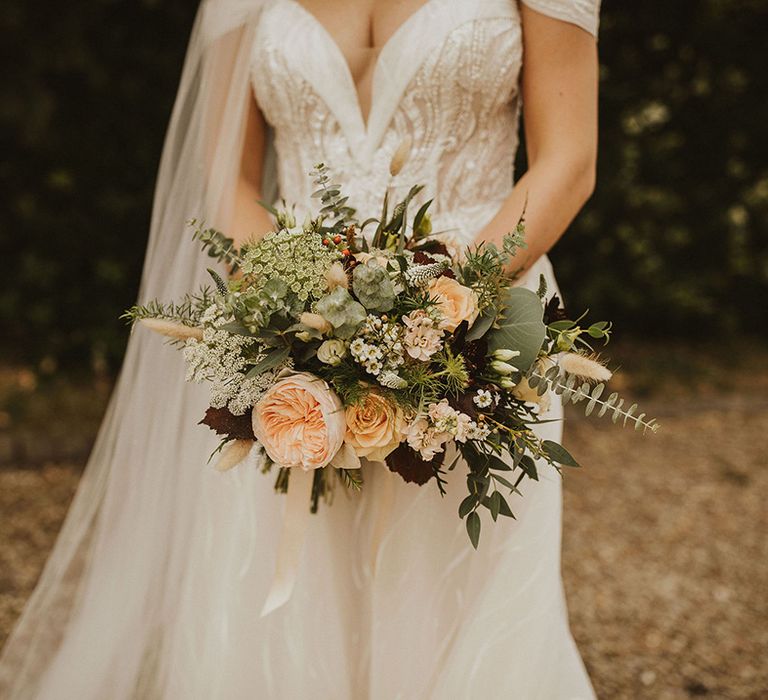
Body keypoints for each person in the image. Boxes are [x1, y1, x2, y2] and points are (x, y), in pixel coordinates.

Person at [0, 0, 600, 697]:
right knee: (296, 587)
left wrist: (439, 312)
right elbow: (228, 176)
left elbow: (569, 159)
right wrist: (297, 308)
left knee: (455, 581)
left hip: (478, 329)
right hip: (292, 339)